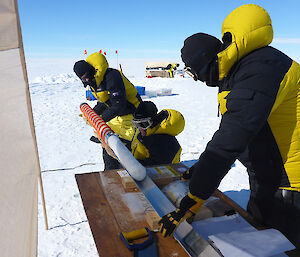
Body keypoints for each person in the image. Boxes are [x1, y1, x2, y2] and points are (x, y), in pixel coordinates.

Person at [158, 4, 300, 249]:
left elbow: (231, 138)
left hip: (290, 183)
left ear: (203, 63)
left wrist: (192, 200)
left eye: (195, 74)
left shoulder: (262, 69)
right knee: (259, 234)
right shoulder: (239, 71)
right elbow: (229, 130)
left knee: (282, 247)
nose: (200, 81)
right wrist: (203, 167)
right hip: (267, 173)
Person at [73, 52, 142, 170]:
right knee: (107, 144)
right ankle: (110, 172)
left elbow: (118, 105)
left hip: (133, 115)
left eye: (86, 76)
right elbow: (104, 102)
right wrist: (92, 114)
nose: (87, 79)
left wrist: (98, 120)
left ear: (91, 70)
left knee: (125, 149)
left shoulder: (112, 76)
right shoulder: (94, 80)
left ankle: (131, 175)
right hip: (118, 116)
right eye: (83, 78)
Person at [131, 101, 185, 166]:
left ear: (152, 122)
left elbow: (155, 168)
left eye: (144, 124)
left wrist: (131, 164)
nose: (140, 129)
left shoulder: (164, 143)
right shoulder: (147, 136)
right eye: (137, 124)